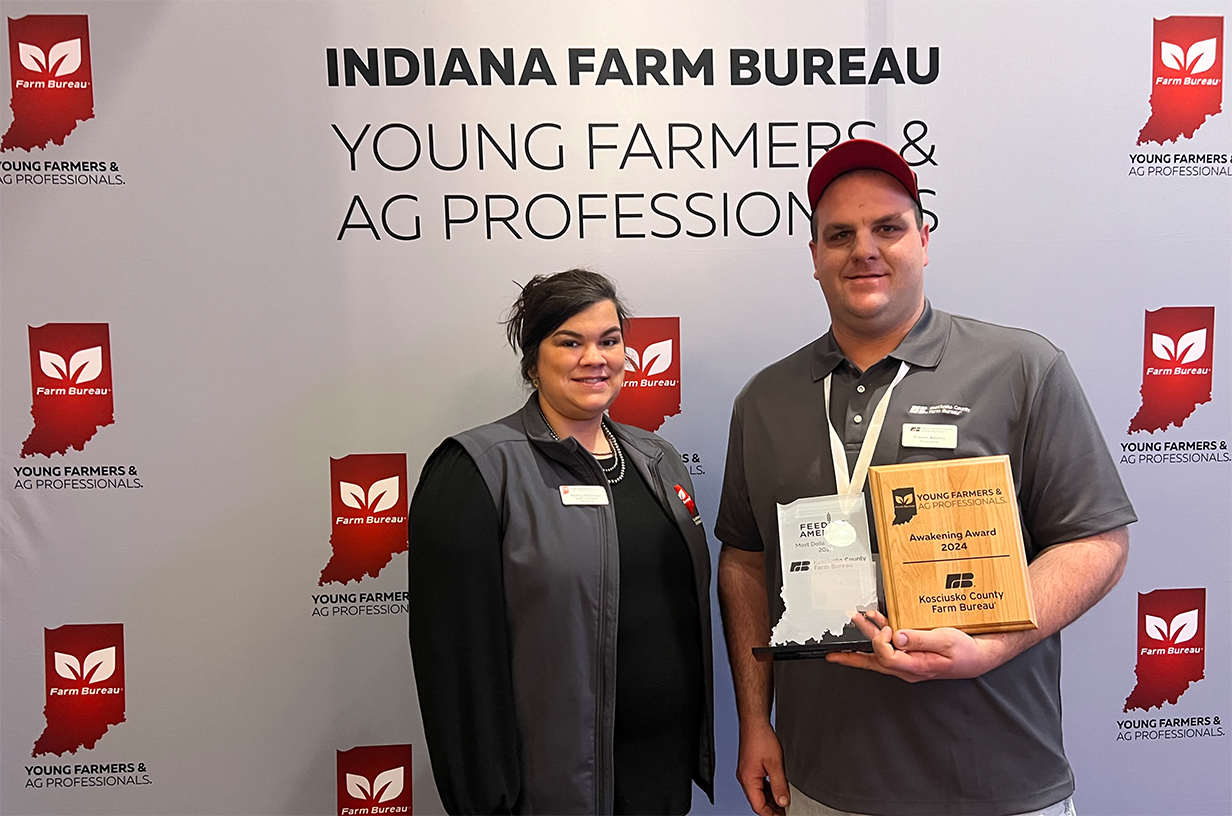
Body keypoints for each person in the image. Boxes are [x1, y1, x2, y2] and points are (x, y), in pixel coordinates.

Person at [715, 140, 1135, 816]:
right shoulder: (765, 399)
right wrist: (756, 722)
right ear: (815, 257)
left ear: (924, 239)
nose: (864, 249)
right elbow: (743, 561)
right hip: (822, 784)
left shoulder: (1022, 368)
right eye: (840, 234)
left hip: (996, 780)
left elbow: (1099, 545)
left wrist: (987, 646)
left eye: (888, 227)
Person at [409, 269, 715, 816]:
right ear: (533, 361)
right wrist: (487, 801)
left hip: (661, 774)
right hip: (554, 790)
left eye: (609, 340)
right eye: (569, 341)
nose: (594, 358)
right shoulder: (477, 470)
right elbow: (458, 667)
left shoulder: (659, 459)